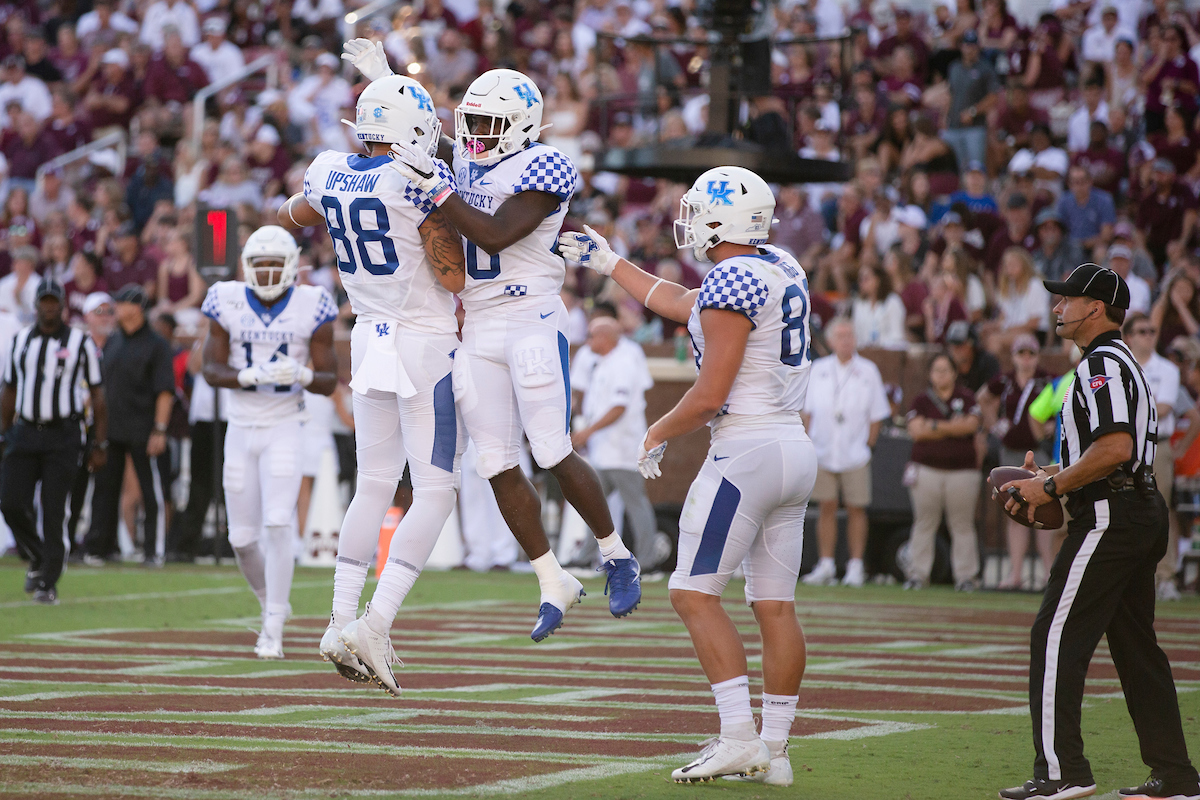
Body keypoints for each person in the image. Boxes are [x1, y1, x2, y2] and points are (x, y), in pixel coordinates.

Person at [560, 166, 814, 785]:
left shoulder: (731, 277)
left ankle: (737, 736)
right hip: (792, 445)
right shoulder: (779, 265)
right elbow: (684, 305)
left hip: (745, 450)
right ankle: (774, 752)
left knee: (692, 592)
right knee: (774, 607)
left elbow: (709, 394)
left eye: (699, 211)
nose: (689, 222)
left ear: (719, 220)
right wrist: (613, 263)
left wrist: (656, 432)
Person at [384, 59, 642, 639]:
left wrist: (436, 186)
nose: (475, 133)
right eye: (471, 119)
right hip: (476, 323)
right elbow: (429, 138)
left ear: (524, 126)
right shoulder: (466, 157)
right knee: (494, 461)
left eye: (489, 122)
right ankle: (551, 577)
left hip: (531, 316)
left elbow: (495, 232)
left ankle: (616, 552)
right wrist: (392, 82)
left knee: (550, 449)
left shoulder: (545, 165)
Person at [279, 70, 468, 689]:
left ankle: (338, 618)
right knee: (436, 489)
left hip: (367, 336)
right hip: (422, 339)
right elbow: (453, 278)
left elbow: (291, 214)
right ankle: (377, 621)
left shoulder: (331, 168)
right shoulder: (415, 181)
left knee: (373, 484)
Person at [998, 264, 1200, 800]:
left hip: (1113, 513)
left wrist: (1053, 487)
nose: (1058, 308)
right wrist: (1053, 475)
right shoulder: (1114, 362)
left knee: (1053, 635)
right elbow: (1111, 450)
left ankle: (1062, 772)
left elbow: (1115, 449)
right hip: (1133, 508)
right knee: (1137, 649)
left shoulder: (1100, 365)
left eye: (1067, 299)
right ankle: (1176, 776)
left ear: (1094, 307)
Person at [201, 226, 338, 658]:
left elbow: (330, 378)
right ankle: (270, 603)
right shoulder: (227, 298)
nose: (264, 274)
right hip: (241, 427)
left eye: (273, 266)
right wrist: (247, 376)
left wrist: (303, 376)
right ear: (246, 266)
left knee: (278, 522)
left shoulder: (312, 303)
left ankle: (272, 627)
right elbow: (210, 368)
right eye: (258, 266)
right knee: (241, 538)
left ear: (291, 266)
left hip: (284, 426)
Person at [0, 278, 105, 604]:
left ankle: (48, 580)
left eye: (53, 301)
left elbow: (99, 395)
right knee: (11, 501)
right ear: (36, 305)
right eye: (43, 301)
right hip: (26, 430)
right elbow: (10, 390)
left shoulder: (79, 342)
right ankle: (37, 555)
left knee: (53, 509)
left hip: (63, 434)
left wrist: (99, 442)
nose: (48, 307)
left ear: (61, 305)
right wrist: (4, 432)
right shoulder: (20, 341)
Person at [82, 284, 176, 567]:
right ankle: (100, 547)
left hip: (144, 428)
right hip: (112, 428)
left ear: (136, 308)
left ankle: (153, 550)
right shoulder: (113, 341)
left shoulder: (157, 345)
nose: (116, 311)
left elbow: (165, 391)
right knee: (105, 489)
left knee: (151, 491)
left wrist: (159, 429)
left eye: (121, 305)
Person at [801, 318, 891, 588]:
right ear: (830, 341)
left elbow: (877, 414)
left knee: (856, 508)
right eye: (840, 336)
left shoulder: (868, 370)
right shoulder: (818, 369)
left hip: (855, 452)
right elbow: (807, 411)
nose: (845, 341)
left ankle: (855, 566)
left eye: (850, 335)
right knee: (826, 506)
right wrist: (807, 442)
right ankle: (826, 563)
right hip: (823, 449)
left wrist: (869, 446)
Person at [571, 316, 659, 569]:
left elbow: (619, 407)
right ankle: (585, 557)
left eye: (591, 335)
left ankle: (649, 560)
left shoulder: (623, 362)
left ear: (605, 338)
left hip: (622, 447)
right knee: (593, 503)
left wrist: (588, 432)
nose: (587, 340)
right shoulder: (603, 363)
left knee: (635, 504)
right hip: (604, 448)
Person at [978, 334, 1053, 589]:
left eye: (1031, 353)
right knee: (1015, 508)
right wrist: (994, 425)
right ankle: (1016, 573)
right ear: (1013, 356)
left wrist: (1051, 427)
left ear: (1037, 356)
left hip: (1039, 451)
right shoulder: (1006, 380)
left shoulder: (1046, 381)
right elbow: (983, 398)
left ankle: (1048, 572)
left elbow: (1065, 405)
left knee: (1044, 508)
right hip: (1011, 450)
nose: (1026, 359)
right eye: (1021, 353)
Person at [1121, 312, 1186, 603]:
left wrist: (1124, 413)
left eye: (1152, 330)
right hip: (1124, 446)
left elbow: (1164, 408)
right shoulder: (1121, 366)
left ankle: (1167, 576)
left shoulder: (1167, 370)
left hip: (1156, 446)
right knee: (1124, 509)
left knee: (1161, 511)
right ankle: (1130, 576)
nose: (1149, 335)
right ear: (1129, 337)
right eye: (1142, 331)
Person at [904, 352, 983, 591]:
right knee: (924, 522)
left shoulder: (966, 397)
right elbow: (917, 431)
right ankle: (918, 574)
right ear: (930, 374)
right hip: (926, 469)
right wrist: (951, 427)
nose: (941, 375)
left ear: (954, 373)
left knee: (962, 524)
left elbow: (971, 425)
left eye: (945, 370)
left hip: (962, 471)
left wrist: (934, 426)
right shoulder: (921, 400)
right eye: (936, 370)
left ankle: (966, 577)